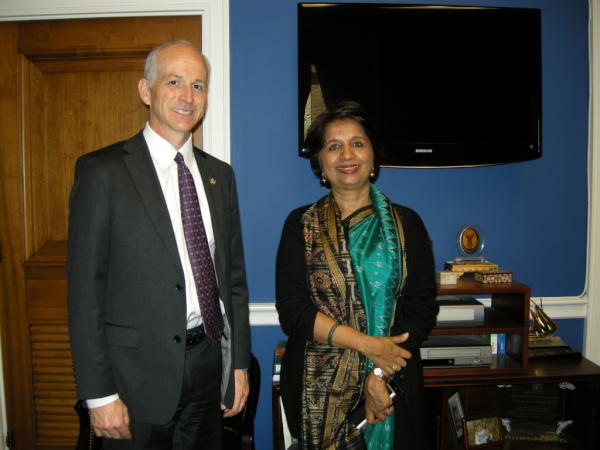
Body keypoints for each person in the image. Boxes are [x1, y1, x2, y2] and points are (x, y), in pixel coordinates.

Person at [67, 40, 250, 449]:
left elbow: (233, 281)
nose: (188, 96)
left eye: (198, 85)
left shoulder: (220, 177)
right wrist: (99, 394)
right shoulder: (102, 172)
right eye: (174, 82)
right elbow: (84, 292)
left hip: (207, 368)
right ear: (145, 91)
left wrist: (237, 364)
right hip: (133, 379)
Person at [276, 101, 438, 449]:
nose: (346, 155)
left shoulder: (408, 224)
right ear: (320, 162)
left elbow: (421, 308)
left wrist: (378, 374)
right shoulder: (301, 225)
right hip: (317, 391)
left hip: (395, 382)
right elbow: (293, 312)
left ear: (373, 156)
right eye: (333, 146)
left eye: (357, 143)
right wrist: (369, 346)